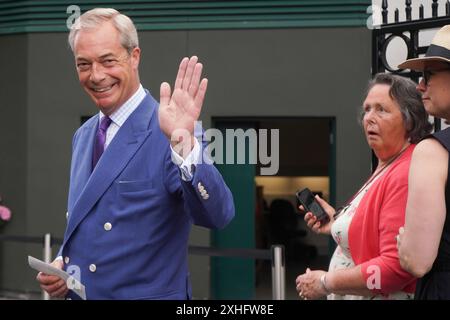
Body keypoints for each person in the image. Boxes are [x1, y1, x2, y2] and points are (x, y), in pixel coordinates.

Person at [35, 8, 235, 300]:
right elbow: (86, 221)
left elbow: (219, 214)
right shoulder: (84, 135)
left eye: (107, 61)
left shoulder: (172, 131)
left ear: (135, 57)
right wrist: (64, 264)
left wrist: (183, 143)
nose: (96, 75)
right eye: (83, 64)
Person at [295, 73, 432, 300]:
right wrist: (336, 224)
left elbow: (394, 270)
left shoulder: (405, 172)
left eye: (382, 110)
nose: (369, 117)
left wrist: (325, 282)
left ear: (409, 120)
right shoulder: (387, 166)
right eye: (367, 109)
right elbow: (372, 235)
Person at [396, 25, 450, 300]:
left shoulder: (433, 151)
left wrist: (405, 243)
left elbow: (416, 261)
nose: (420, 86)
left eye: (428, 75)